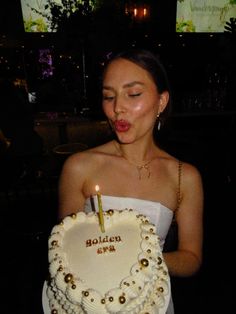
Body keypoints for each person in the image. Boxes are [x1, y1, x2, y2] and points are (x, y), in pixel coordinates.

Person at [57, 48, 204, 313]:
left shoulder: (184, 176)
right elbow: (65, 250)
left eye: (133, 94)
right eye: (108, 96)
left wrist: (142, 260)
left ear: (161, 102)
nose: (117, 108)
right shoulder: (79, 167)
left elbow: (191, 258)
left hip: (151, 302)